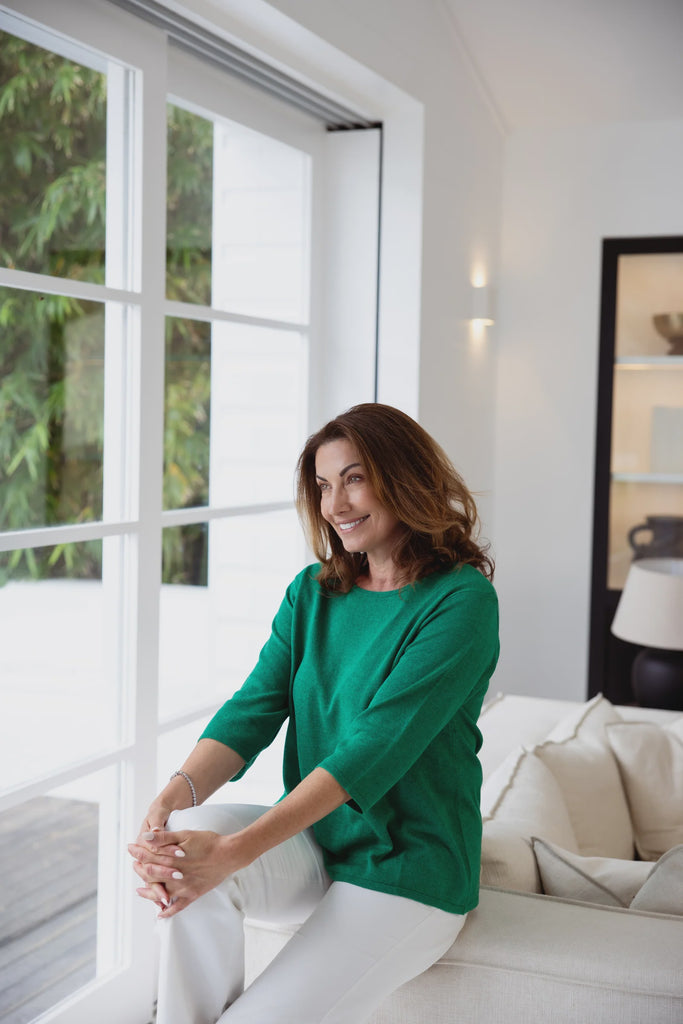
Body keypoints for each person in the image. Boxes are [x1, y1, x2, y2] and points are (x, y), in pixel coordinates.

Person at [128, 402, 499, 1024]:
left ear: (403, 478)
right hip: (323, 843)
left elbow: (370, 752)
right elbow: (251, 711)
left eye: (354, 479)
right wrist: (170, 803)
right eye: (324, 486)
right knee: (192, 845)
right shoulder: (313, 593)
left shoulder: (461, 601)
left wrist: (238, 850)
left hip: (411, 870)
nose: (335, 505)